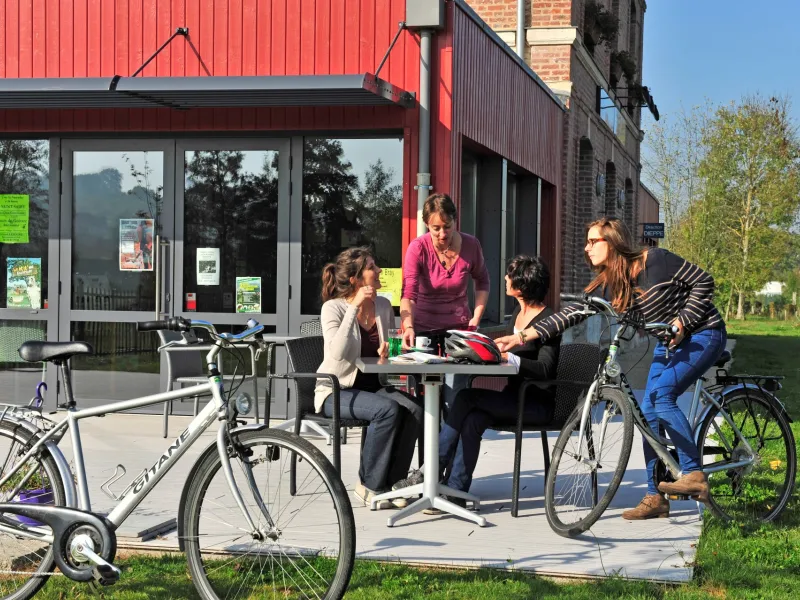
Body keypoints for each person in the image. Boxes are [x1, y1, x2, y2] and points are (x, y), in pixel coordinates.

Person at [496, 217, 727, 520]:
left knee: (661, 395)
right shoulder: (609, 286)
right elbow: (572, 313)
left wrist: (682, 321)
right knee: (647, 415)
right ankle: (655, 496)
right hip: (666, 343)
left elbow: (704, 281)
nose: (586, 247)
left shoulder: (655, 261)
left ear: (613, 241)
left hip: (702, 333)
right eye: (587, 242)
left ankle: (694, 474)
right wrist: (523, 335)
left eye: (594, 241)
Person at [395, 255, 561, 510]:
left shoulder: (549, 321)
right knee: (472, 419)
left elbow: (545, 368)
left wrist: (510, 358)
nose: (505, 278)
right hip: (512, 396)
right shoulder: (518, 312)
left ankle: (430, 472)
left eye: (510, 275)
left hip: (535, 403)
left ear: (523, 284)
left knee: (465, 397)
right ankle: (455, 491)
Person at [314, 247, 424, 509]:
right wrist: (353, 306)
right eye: (372, 267)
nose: (379, 271)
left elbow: (392, 347)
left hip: (374, 386)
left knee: (414, 408)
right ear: (355, 279)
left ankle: (394, 483)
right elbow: (337, 352)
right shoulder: (333, 308)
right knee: (386, 410)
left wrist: (393, 351)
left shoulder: (383, 305)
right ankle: (369, 485)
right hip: (336, 391)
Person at [399, 193, 490, 407]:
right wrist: (408, 326)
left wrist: (476, 316)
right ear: (427, 225)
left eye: (447, 226)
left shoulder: (471, 245)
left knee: (454, 397)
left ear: (455, 220)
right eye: (435, 228)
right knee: (424, 401)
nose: (442, 234)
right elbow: (408, 293)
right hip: (423, 331)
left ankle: (449, 440)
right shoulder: (418, 248)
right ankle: (426, 440)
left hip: (458, 331)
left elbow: (482, 282)